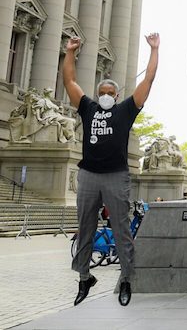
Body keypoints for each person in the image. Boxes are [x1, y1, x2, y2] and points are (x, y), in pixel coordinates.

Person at [65, 33, 160, 307]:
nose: (106, 96)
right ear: (97, 95)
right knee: (85, 228)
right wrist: (70, 52)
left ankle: (127, 279)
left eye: (110, 93)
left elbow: (148, 80)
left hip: (116, 176)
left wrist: (154, 49)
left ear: (116, 95)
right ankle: (84, 277)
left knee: (121, 229)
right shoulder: (88, 108)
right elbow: (70, 81)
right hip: (88, 175)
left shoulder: (126, 110)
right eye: (102, 93)